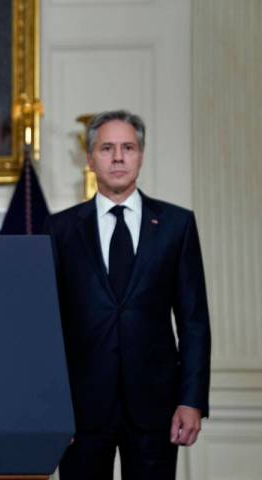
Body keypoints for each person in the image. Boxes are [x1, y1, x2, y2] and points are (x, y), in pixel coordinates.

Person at [44, 110, 211, 479]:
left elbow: (194, 321)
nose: (118, 157)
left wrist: (192, 400)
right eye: (106, 148)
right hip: (80, 412)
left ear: (141, 155)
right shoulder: (59, 229)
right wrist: (51, 408)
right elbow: (46, 327)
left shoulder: (176, 225)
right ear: (90, 158)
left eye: (128, 147)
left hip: (156, 409)